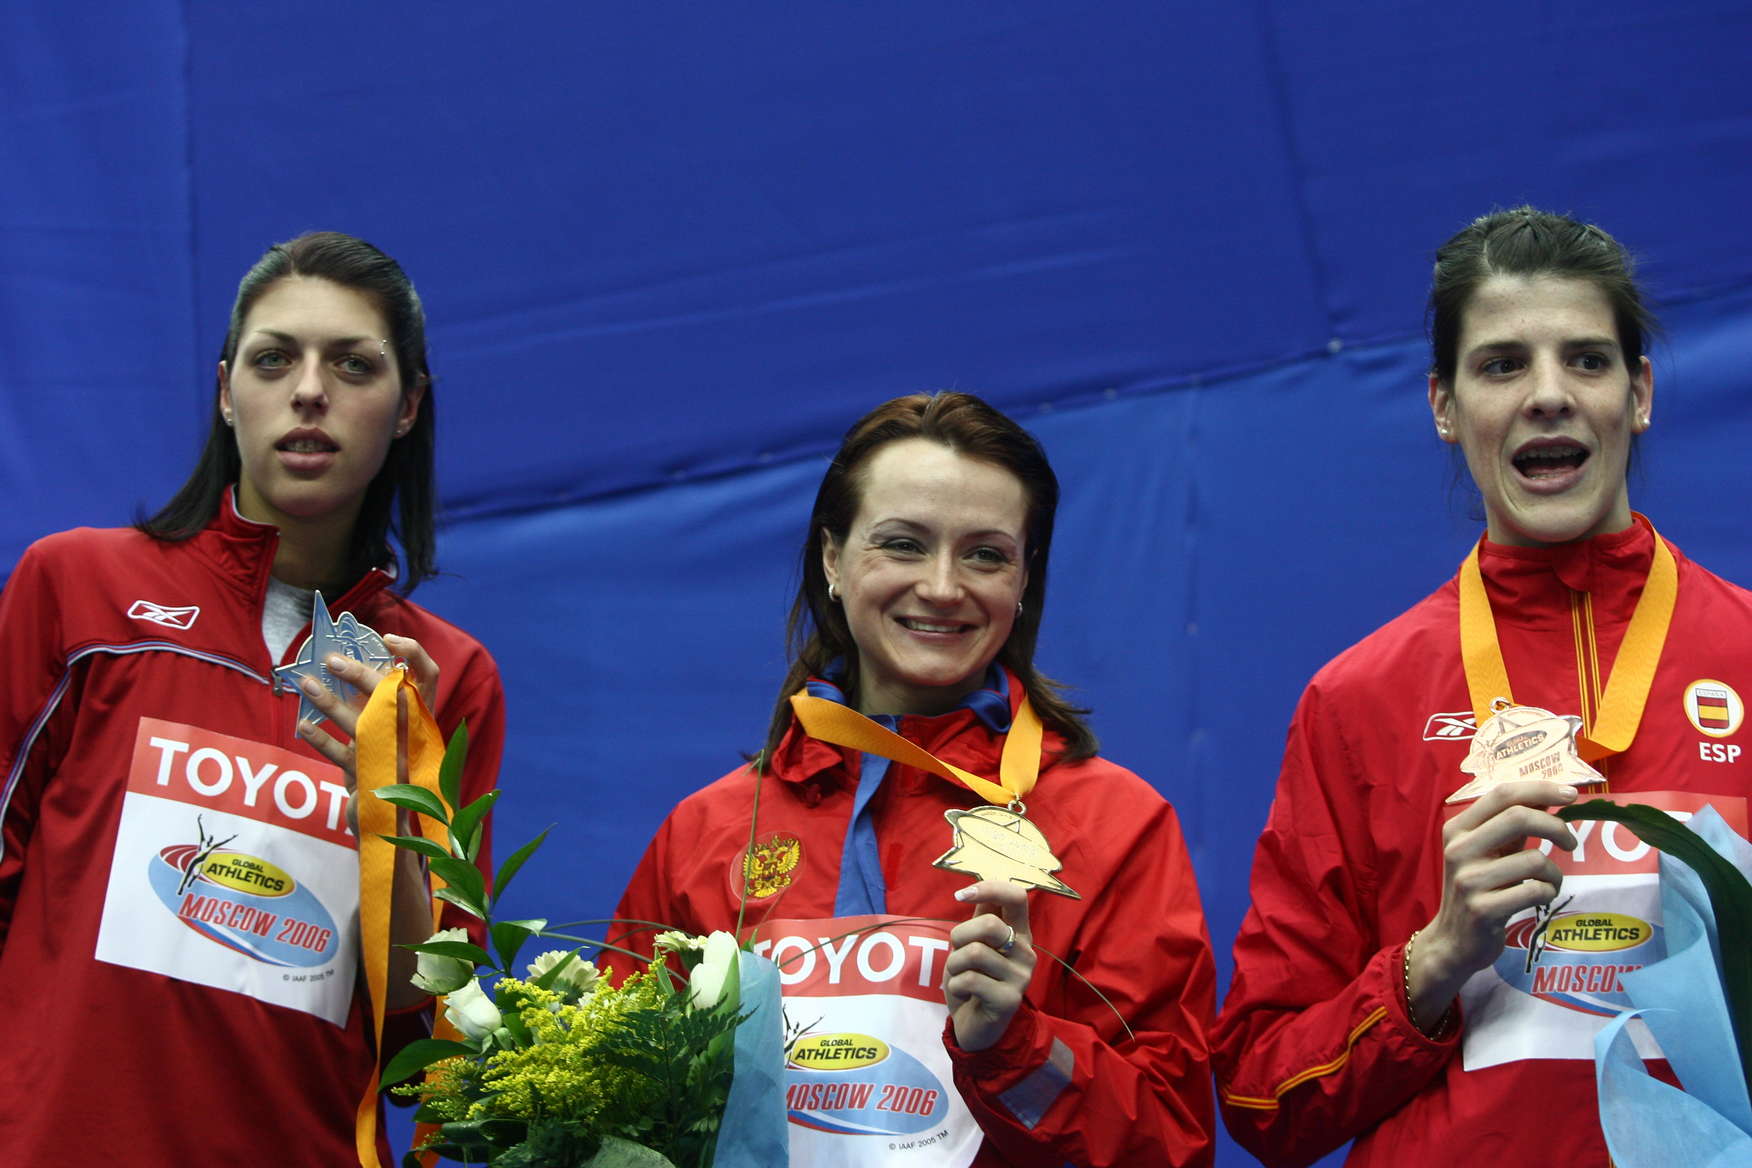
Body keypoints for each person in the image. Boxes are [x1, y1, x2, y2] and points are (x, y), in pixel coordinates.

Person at [1212, 207, 1752, 1165]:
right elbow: (1262, 1096)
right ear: (1445, 407)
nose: (1548, 395)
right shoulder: (1358, 701)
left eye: (1586, 360)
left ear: (1639, 394)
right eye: (1502, 365)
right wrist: (1434, 959)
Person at [0, 232, 505, 1165]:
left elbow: (424, 1036)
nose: (310, 390)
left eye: (353, 364)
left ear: (407, 408)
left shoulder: (442, 675)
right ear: (227, 391)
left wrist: (393, 804)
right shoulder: (77, 588)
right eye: (275, 359)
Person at [609, 392, 1216, 1167]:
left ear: (1025, 579)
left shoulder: (1114, 825)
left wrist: (1016, 1046)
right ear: (833, 558)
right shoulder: (708, 832)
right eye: (902, 544)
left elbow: (1169, 1141)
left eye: (986, 555)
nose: (942, 586)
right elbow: (612, 1114)